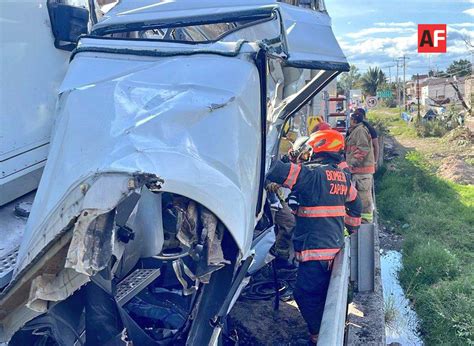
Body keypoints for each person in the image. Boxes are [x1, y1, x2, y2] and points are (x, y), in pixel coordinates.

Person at [266, 130, 362, 344]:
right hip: (332, 247)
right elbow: (357, 205)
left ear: (318, 147)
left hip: (315, 251)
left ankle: (318, 335)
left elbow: (275, 170)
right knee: (322, 292)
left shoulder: (311, 174)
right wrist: (350, 228)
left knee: (304, 294)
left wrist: (272, 154)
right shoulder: (342, 177)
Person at [345, 111, 375, 223]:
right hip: (358, 171)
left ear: (354, 120)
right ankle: (359, 221)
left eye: (351, 119)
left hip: (361, 171)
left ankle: (365, 223)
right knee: (358, 197)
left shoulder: (360, 131)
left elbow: (363, 149)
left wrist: (351, 163)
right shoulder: (355, 131)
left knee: (363, 197)